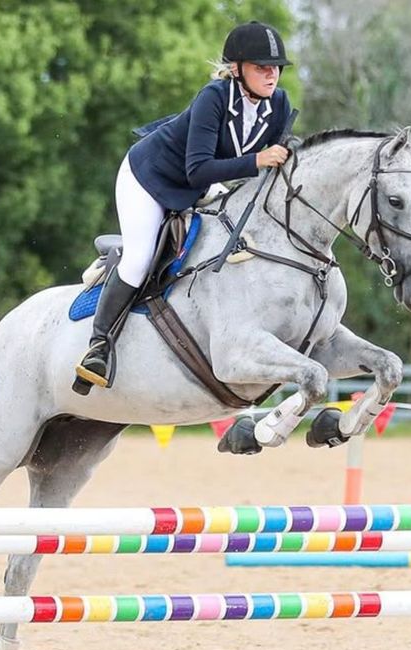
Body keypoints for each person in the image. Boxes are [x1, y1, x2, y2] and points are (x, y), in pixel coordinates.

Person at [74, 20, 294, 390]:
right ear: (237, 70)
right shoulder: (214, 98)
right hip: (150, 178)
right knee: (141, 255)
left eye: (275, 68)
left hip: (200, 186)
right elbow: (198, 169)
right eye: (261, 67)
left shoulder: (280, 104)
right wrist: (258, 160)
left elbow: (276, 160)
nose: (271, 75)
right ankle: (99, 344)